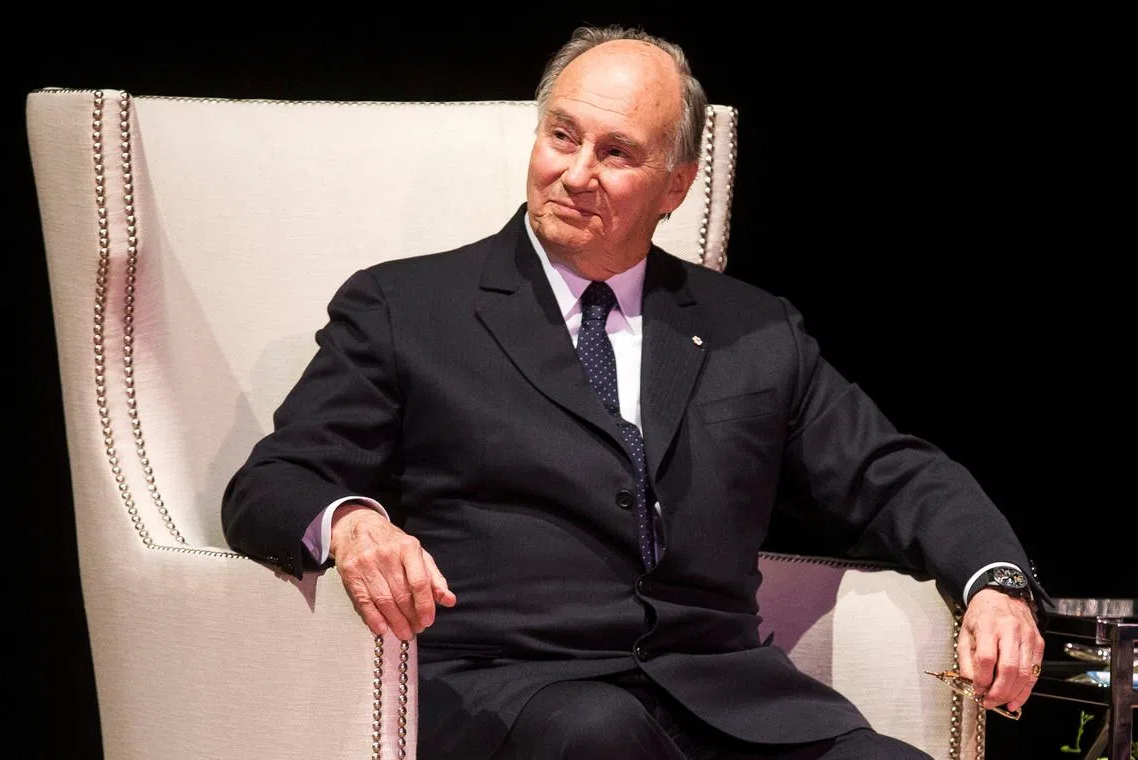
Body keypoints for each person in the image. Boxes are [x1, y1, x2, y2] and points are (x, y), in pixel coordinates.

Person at [222, 24, 1048, 760]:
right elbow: (273, 484)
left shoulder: (752, 330)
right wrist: (353, 523)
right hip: (513, 692)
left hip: (726, 701)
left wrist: (995, 583)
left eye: (615, 153)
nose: (576, 173)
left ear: (676, 186)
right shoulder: (407, 309)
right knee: (599, 735)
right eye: (561, 136)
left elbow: (890, 472)